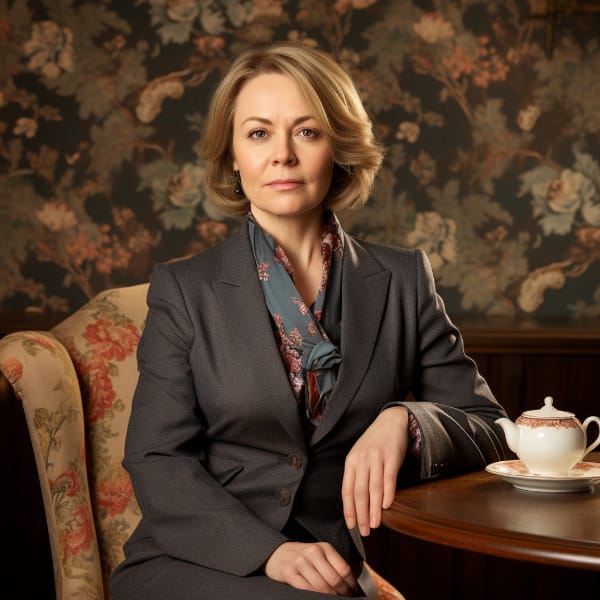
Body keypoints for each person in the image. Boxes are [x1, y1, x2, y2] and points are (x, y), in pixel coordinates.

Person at [110, 41, 510, 599]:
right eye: (257, 133)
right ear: (231, 156)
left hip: (333, 568)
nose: (282, 155)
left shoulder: (403, 280)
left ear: (338, 148)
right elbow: (157, 459)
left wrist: (406, 421)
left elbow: (491, 429)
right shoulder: (185, 290)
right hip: (199, 563)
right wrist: (270, 553)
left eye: (306, 131)